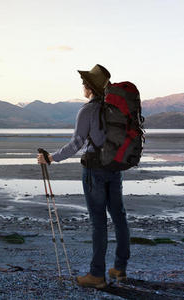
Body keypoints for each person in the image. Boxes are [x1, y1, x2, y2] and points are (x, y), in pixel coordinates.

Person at [37, 64, 130, 289]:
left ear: (89, 87)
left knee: (98, 223)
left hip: (94, 171)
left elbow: (77, 143)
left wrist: (51, 158)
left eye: (84, 82)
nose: (82, 85)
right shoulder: (116, 109)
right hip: (114, 168)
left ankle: (97, 275)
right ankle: (120, 268)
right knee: (119, 217)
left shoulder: (87, 110)